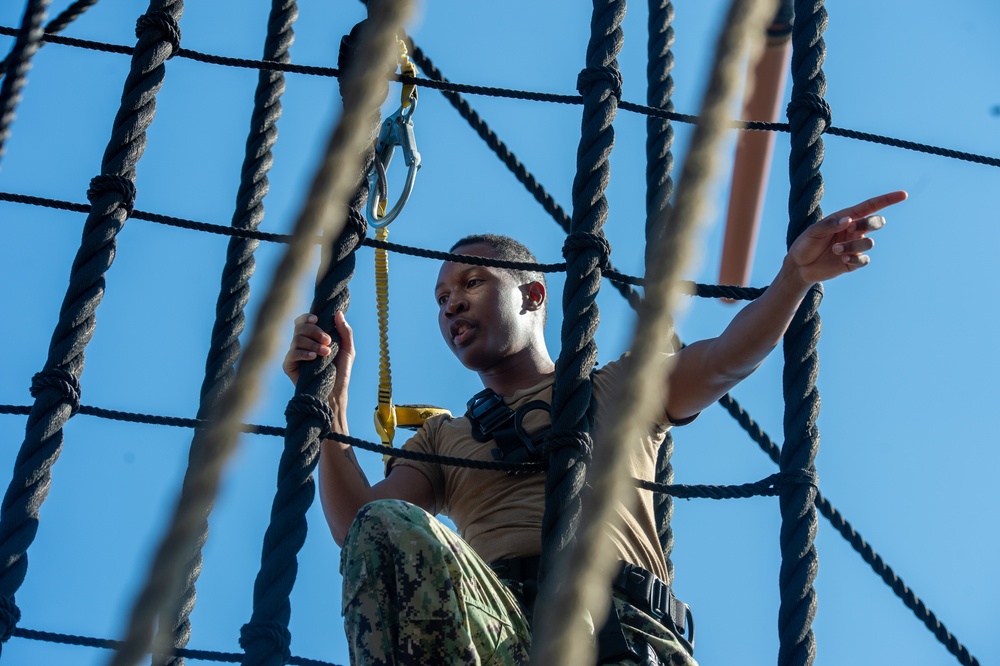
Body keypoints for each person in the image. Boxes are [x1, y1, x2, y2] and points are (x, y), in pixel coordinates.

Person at [283, 191, 907, 665]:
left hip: (619, 635)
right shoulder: (444, 438)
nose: (452, 304)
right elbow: (360, 529)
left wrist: (794, 276)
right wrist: (329, 405)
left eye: (472, 283)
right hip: (503, 632)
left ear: (533, 296)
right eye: (442, 298)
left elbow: (725, 358)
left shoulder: (614, 388)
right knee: (387, 524)